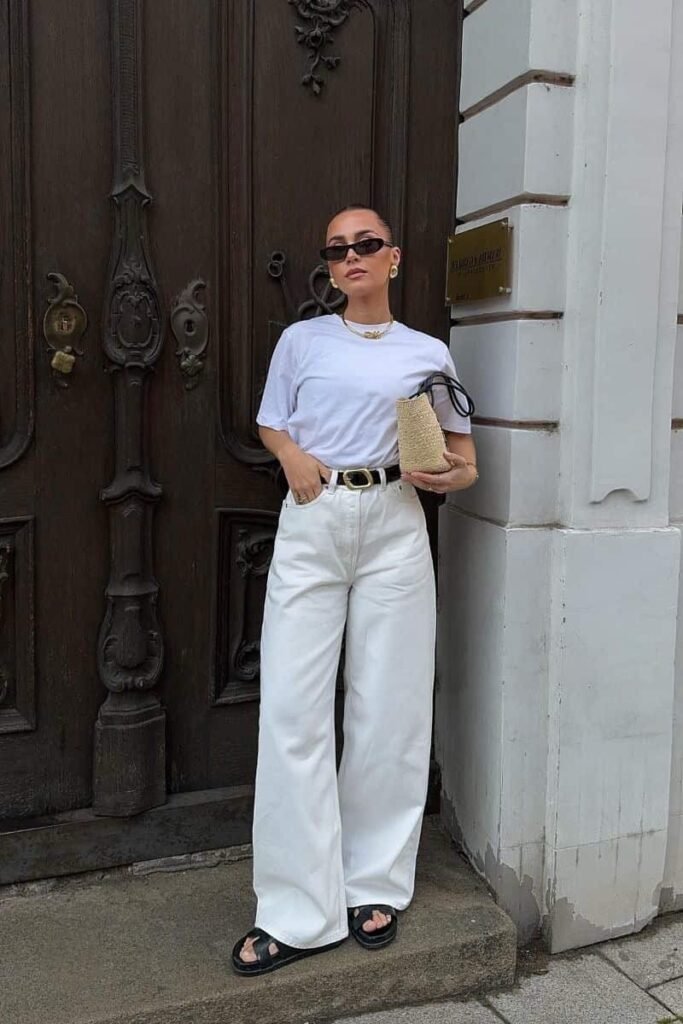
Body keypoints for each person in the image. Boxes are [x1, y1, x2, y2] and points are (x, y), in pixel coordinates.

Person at [232, 205, 478, 976]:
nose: (352, 257)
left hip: (396, 525)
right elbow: (271, 422)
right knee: (294, 709)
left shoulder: (426, 351)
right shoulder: (300, 341)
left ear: (394, 259)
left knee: (388, 704)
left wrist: (449, 476)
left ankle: (372, 881)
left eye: (365, 244)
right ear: (329, 267)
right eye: (338, 249)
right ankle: (296, 908)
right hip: (314, 517)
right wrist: (291, 456)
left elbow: (466, 459)